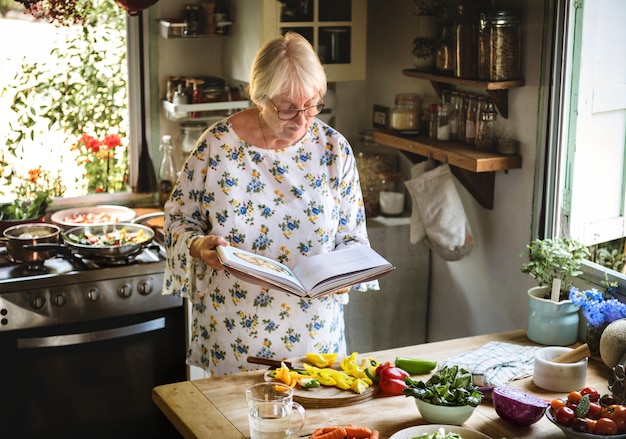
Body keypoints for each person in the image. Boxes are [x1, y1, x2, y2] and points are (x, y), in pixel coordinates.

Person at [162, 31, 378, 377]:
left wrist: (347, 273)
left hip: (314, 337)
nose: (302, 119)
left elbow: (352, 236)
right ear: (260, 96)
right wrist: (199, 245)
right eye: (289, 108)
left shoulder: (333, 149)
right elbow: (177, 221)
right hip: (235, 331)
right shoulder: (217, 146)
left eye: (312, 105)